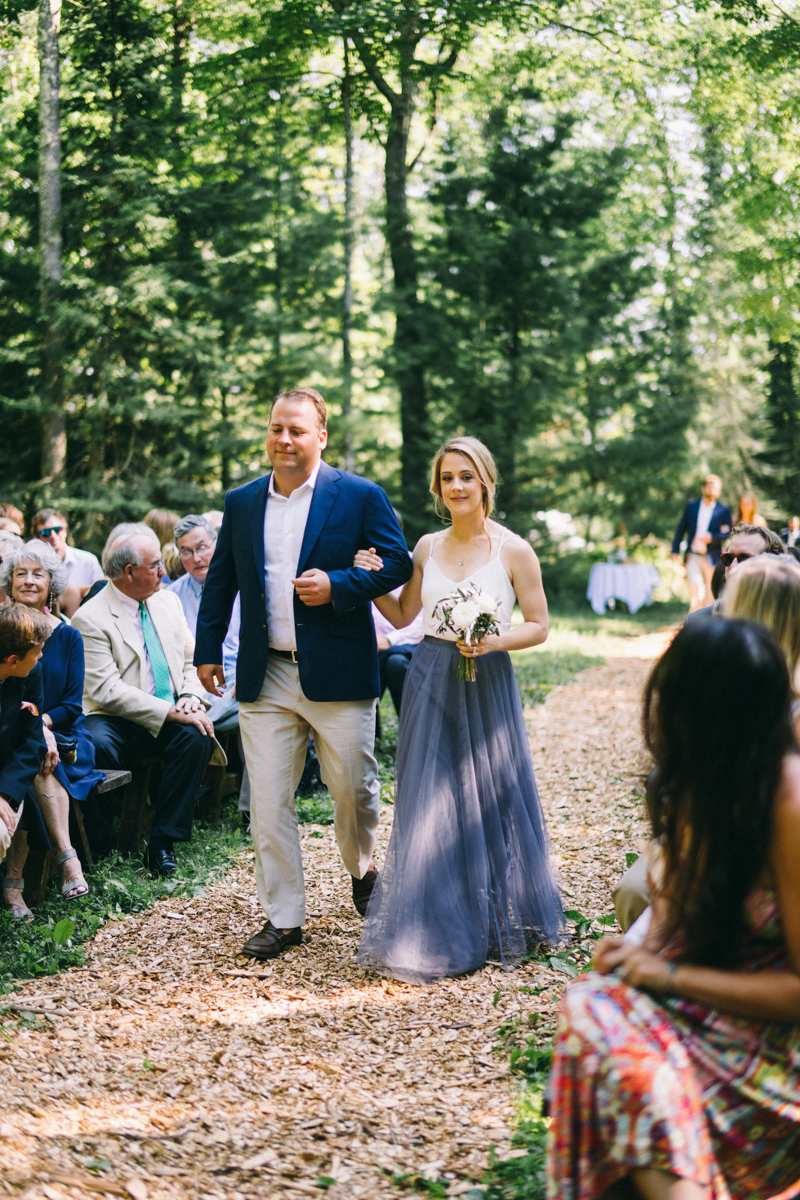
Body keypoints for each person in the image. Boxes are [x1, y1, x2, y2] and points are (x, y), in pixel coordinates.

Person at [548, 619, 800, 1200]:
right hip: (711, 1002)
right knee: (591, 1006)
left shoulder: (789, 799)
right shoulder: (702, 782)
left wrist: (665, 974)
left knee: (609, 1043)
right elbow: (676, 913)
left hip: (776, 1045)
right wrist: (640, 950)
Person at [194, 386, 412, 960]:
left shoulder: (359, 495)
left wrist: (339, 585)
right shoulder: (242, 502)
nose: (283, 440)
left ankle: (362, 869)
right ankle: (284, 918)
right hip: (265, 677)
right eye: (275, 429)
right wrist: (207, 649)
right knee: (267, 799)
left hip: (339, 671)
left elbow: (398, 562)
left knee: (353, 791)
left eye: (296, 430)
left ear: (320, 436)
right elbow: (221, 581)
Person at [355, 436, 565, 983]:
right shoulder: (425, 546)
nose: (457, 487)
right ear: (438, 487)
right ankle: (433, 923)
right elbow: (402, 615)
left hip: (486, 677)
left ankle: (495, 919)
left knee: (488, 792)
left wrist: (496, 641)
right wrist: (369, 577)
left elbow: (540, 625)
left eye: (466, 477)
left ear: (486, 482)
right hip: (431, 673)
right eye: (447, 478)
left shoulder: (514, 550)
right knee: (432, 796)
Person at [72, 534, 218, 875]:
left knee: (197, 735)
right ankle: (99, 839)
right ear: (129, 572)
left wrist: (191, 699)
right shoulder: (89, 618)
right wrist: (170, 712)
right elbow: (106, 690)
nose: (163, 572)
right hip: (113, 717)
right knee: (97, 745)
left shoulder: (167, 603)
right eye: (154, 566)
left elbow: (190, 661)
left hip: (170, 707)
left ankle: (164, 839)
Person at [1, 543, 105, 916]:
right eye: (20, 574)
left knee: (39, 757)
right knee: (31, 757)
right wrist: (32, 729)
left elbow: (72, 705)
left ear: (52, 585)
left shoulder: (68, 636)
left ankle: (18, 886)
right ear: (9, 583)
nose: (28, 581)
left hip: (64, 734)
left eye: (38, 574)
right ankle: (65, 861)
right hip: (16, 733)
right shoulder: (2, 629)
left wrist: (40, 723)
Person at [0, 604, 51, 884]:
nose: (41, 656)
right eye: (37, 651)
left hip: (8, 778)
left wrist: (3, 794)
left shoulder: (31, 673)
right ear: (12, 661)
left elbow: (31, 742)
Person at [684, 521, 785, 623]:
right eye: (728, 558)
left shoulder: (790, 619)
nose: (733, 565)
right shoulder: (697, 622)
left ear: (773, 565)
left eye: (744, 558)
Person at [671, 476, 732, 612]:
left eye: (716, 488)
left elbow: (728, 533)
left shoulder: (723, 510)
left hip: (712, 557)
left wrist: (713, 537)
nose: (712, 490)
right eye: (710, 487)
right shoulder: (691, 507)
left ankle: (707, 627)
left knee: (711, 595)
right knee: (695, 590)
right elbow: (681, 529)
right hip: (693, 555)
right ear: (703, 488)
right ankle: (694, 625)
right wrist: (675, 550)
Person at [32, 508, 103, 615]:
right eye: (45, 532)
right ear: (36, 537)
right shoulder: (32, 565)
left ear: (64, 531)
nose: (53, 536)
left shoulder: (88, 561)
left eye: (57, 530)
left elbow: (102, 595)